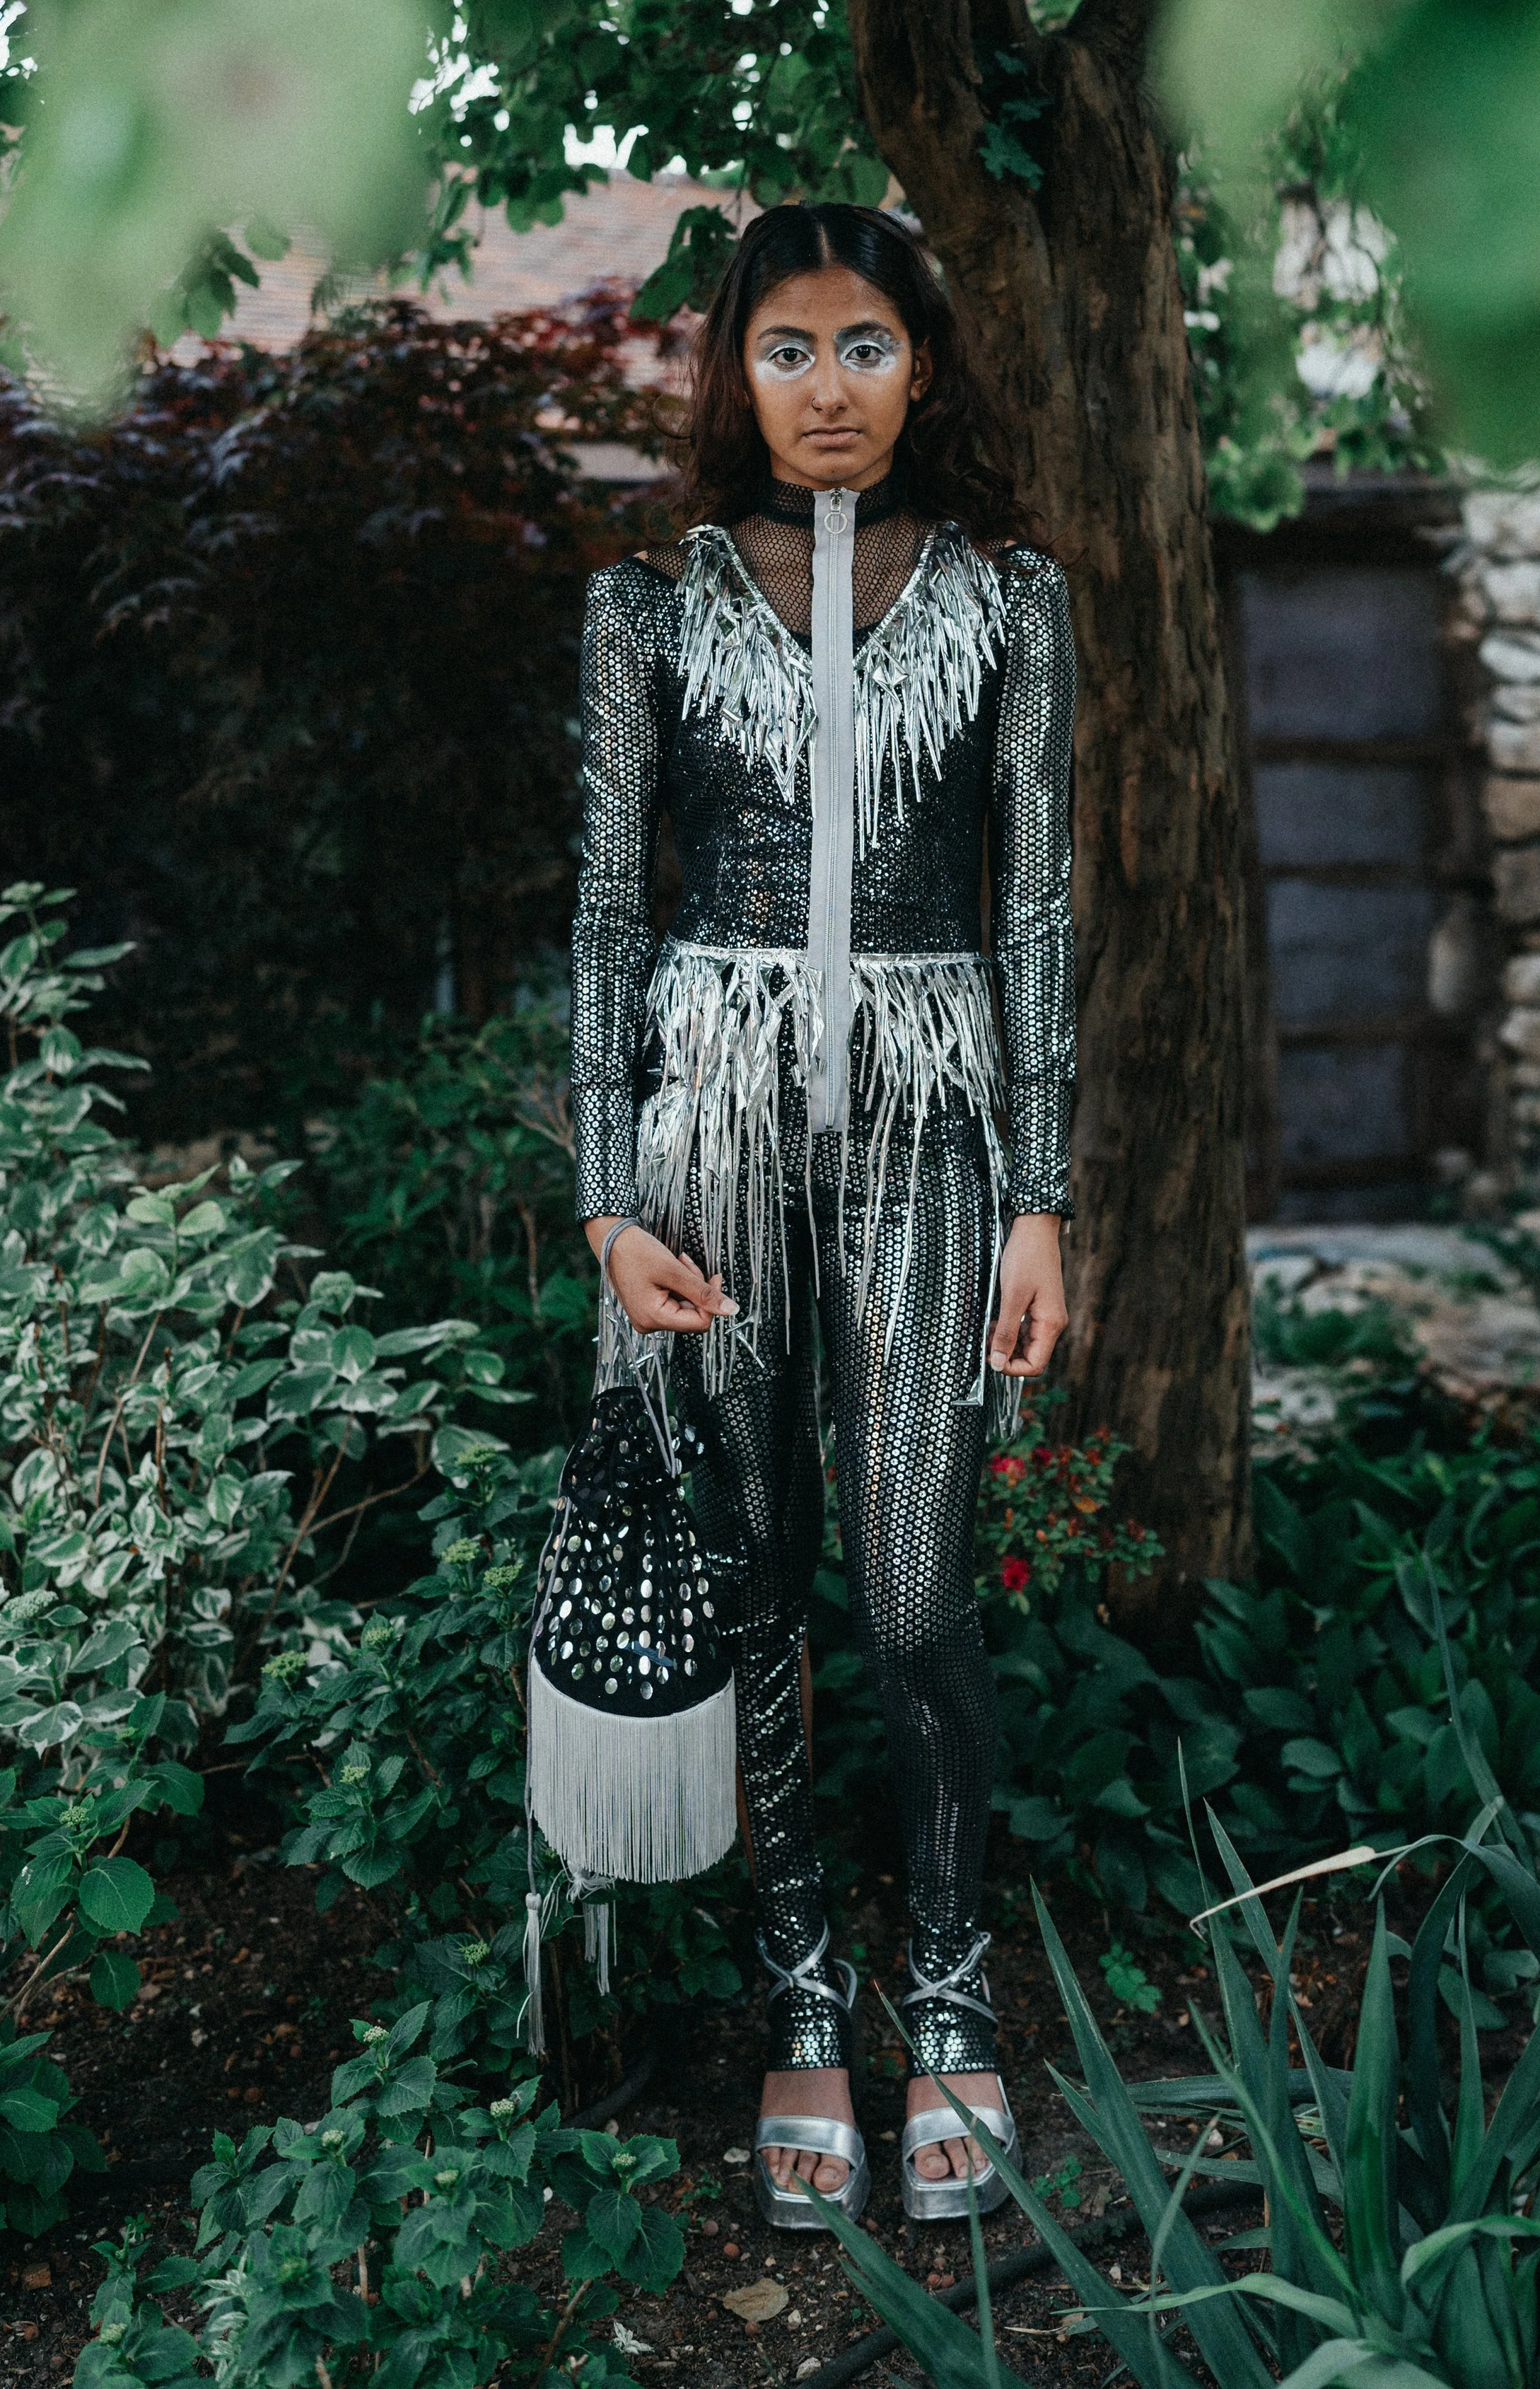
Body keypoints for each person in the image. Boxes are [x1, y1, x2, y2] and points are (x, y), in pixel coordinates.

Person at [571, 201, 1075, 2229]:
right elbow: (608, 906)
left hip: (935, 1128)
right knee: (755, 1574)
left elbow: (1035, 905)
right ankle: (802, 1996)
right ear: (733, 375)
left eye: (863, 345)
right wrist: (604, 1199)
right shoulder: (649, 606)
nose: (827, 389)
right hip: (705, 1136)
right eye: (785, 350)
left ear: (922, 366)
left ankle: (945, 1992)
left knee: (919, 1584)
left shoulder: (1011, 599)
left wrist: (1044, 1195)